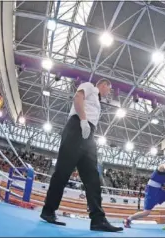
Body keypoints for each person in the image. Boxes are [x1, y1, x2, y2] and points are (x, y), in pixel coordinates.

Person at [40, 79, 123, 232]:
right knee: (63, 171)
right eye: (108, 89)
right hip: (77, 127)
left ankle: (98, 219)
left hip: (88, 134)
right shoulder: (90, 86)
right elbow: (78, 98)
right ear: (103, 85)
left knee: (93, 178)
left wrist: (87, 126)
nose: (108, 93)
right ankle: (48, 211)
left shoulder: (97, 102)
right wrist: (83, 121)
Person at [123, 155, 165, 228]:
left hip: (159, 190)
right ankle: (128, 219)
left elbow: (163, 181)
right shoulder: (162, 166)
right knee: (146, 212)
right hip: (151, 191)